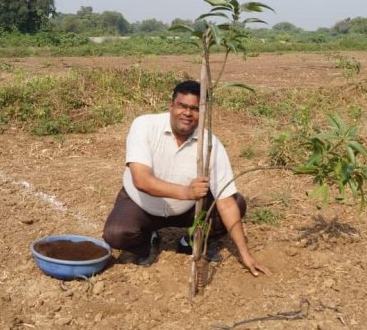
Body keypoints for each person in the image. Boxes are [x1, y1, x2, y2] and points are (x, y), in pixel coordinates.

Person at [103, 80, 269, 277]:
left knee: (236, 202)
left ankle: (189, 242)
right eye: (182, 106)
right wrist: (186, 192)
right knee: (117, 233)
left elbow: (225, 203)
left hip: (188, 209)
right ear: (171, 105)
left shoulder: (210, 144)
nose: (188, 113)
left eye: (195, 108)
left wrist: (245, 254)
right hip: (141, 205)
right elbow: (141, 180)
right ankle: (148, 241)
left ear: (203, 113)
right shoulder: (145, 126)